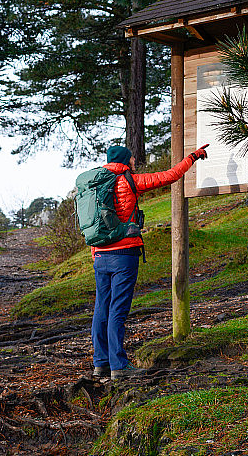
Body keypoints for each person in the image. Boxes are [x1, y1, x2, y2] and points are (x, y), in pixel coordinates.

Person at [91, 144, 208, 380]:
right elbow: (170, 176)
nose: (135, 161)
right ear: (126, 160)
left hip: (99, 255)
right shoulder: (130, 181)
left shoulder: (95, 184)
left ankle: (100, 363)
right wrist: (193, 157)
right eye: (132, 158)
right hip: (124, 255)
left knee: (101, 309)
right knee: (117, 311)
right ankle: (119, 366)